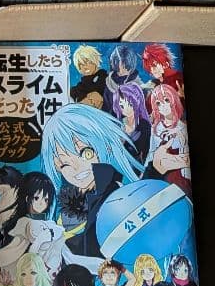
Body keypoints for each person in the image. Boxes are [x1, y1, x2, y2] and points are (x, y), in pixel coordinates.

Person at [40, 104, 142, 263]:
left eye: (86, 153)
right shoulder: (67, 204)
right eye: (64, 164)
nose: (77, 168)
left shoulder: (116, 195)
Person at [146, 83, 192, 194]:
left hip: (180, 177)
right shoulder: (156, 128)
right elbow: (151, 153)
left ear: (173, 100)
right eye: (158, 103)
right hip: (159, 174)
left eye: (166, 100)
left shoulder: (182, 127)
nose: (163, 106)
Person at [112, 81, 153, 164]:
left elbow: (145, 151)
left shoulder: (144, 126)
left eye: (130, 104)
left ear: (137, 102)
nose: (126, 109)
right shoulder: (118, 124)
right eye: (122, 106)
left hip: (136, 165)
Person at [104, 44, 141, 115]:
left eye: (125, 65)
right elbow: (106, 108)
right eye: (118, 62)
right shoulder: (109, 84)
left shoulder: (137, 86)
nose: (122, 67)